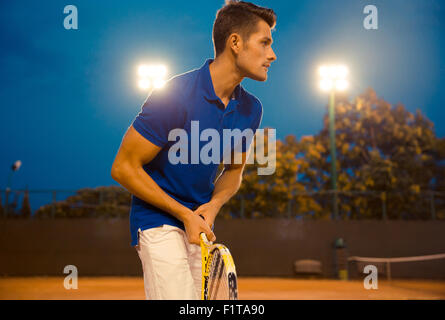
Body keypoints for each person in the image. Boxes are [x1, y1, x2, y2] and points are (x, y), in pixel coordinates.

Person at [111, 0, 277, 300]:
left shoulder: (252, 109)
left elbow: (234, 169)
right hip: (156, 221)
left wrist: (211, 208)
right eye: (264, 43)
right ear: (235, 43)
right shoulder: (175, 94)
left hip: (199, 226)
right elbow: (123, 167)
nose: (272, 55)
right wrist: (183, 214)